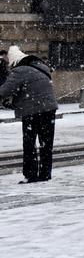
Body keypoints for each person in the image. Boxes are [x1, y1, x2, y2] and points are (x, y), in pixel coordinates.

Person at [0, 46, 59, 184]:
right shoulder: (41, 67)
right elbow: (30, 89)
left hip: (33, 112)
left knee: (29, 144)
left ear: (14, 61)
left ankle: (31, 175)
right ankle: (45, 174)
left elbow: (4, 91)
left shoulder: (20, 70)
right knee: (46, 144)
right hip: (49, 110)